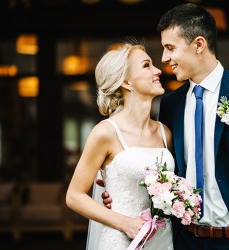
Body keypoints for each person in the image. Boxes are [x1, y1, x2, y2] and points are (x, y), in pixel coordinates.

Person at [102, 3, 229, 250]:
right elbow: (162, 168)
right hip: (184, 240)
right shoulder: (171, 104)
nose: (164, 58)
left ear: (199, 44)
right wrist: (117, 183)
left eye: (170, 48)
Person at [66, 41, 175, 250]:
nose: (157, 70)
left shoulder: (165, 133)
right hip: (122, 240)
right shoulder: (105, 132)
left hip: (163, 240)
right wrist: (127, 224)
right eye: (146, 65)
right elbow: (74, 196)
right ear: (126, 82)